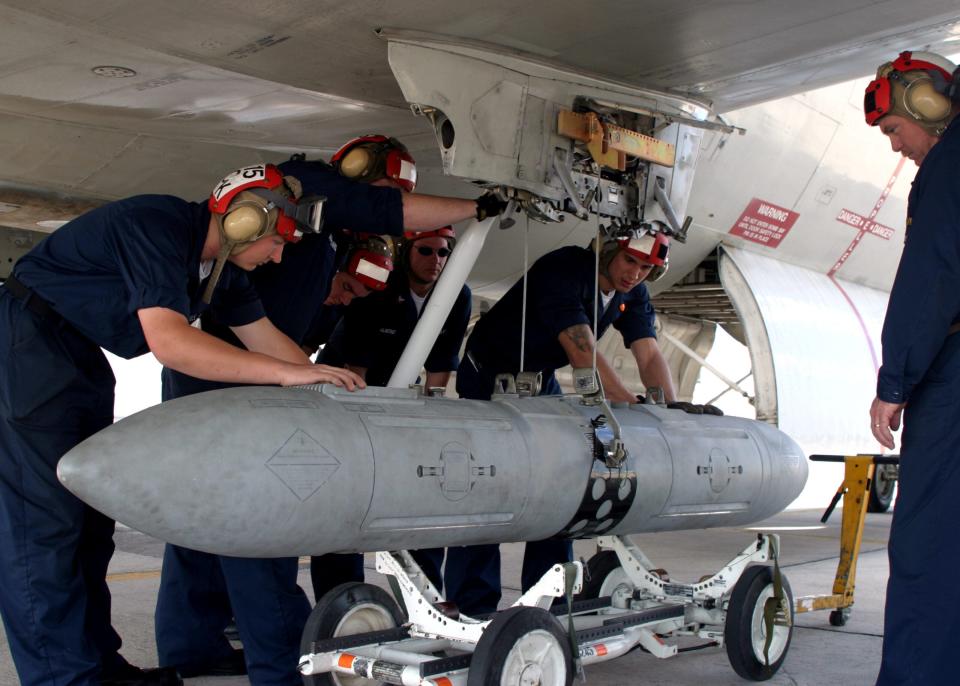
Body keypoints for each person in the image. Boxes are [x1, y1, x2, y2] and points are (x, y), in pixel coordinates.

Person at [154, 137, 505, 684]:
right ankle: (280, 666)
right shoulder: (310, 222)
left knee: (199, 520)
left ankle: (192, 649)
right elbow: (272, 338)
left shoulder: (311, 227)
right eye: (387, 193)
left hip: (212, 381)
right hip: (239, 389)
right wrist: (479, 205)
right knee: (260, 526)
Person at [0, 162, 366, 686]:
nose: (281, 255)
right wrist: (286, 375)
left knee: (88, 525)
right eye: (279, 241)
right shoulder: (157, 225)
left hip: (72, 353)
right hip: (29, 344)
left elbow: (262, 338)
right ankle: (63, 678)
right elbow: (170, 344)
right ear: (245, 220)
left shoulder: (221, 272)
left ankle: (97, 667)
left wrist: (325, 388)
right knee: (46, 529)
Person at [445, 232, 678, 615]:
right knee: (486, 483)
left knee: (562, 489)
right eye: (630, 261)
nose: (635, 274)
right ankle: (474, 606)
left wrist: (669, 409)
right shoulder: (563, 270)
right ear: (609, 252)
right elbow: (582, 351)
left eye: (646, 268)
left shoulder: (631, 291)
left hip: (540, 377)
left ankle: (549, 600)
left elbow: (648, 351)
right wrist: (624, 398)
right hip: (489, 376)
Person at [863, 51, 960, 685]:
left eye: (896, 131)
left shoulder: (950, 165)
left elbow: (931, 277)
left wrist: (894, 382)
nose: (899, 149)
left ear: (925, 103)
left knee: (930, 545)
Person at [311, 226, 471, 600]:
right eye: (425, 251)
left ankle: (425, 600)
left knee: (423, 501)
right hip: (350, 393)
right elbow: (356, 369)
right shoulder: (380, 288)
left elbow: (440, 367)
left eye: (443, 254)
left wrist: (430, 430)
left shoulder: (456, 295)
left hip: (399, 403)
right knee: (348, 502)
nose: (435, 261)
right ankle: (342, 602)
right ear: (405, 253)